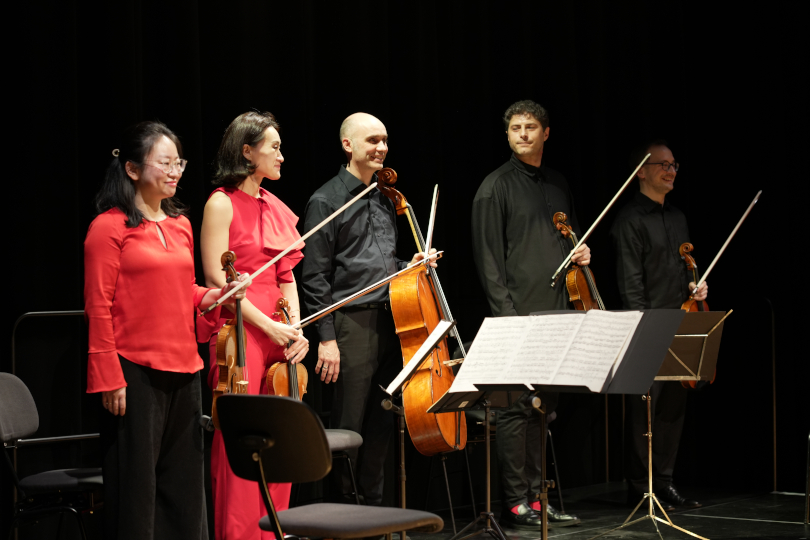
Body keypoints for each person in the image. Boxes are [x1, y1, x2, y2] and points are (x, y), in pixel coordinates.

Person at [84, 121, 248, 540]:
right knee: (137, 491)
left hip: (184, 369)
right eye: (165, 163)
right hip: (133, 372)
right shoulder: (109, 226)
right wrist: (108, 375)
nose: (175, 171)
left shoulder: (179, 225)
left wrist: (218, 295)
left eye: (179, 163)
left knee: (184, 488)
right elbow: (98, 306)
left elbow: (184, 294)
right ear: (134, 169)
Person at [301, 112, 434, 506]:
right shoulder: (326, 199)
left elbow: (378, 262)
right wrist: (326, 339)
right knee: (349, 427)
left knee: (381, 425)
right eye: (372, 140)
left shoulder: (384, 197)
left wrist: (408, 268)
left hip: (391, 319)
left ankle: (373, 512)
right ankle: (345, 513)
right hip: (350, 326)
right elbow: (315, 277)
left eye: (385, 140)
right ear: (348, 145)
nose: (382, 148)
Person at [471, 100, 585, 530]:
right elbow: (488, 263)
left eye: (531, 127)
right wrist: (508, 319)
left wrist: (579, 252)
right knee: (517, 410)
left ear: (546, 133)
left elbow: (566, 237)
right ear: (507, 135)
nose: (522, 134)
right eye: (515, 127)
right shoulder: (493, 187)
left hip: (558, 313)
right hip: (518, 318)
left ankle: (538, 499)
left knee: (543, 409)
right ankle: (516, 502)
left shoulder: (557, 184)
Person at [200, 111, 309, 540]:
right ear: (247, 152)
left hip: (280, 331)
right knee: (240, 443)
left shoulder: (275, 206)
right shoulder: (221, 202)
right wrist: (269, 326)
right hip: (241, 331)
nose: (282, 155)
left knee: (281, 439)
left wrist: (296, 329)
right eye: (274, 147)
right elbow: (216, 281)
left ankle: (275, 532)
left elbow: (287, 276)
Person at [610, 139, 707, 511]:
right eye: (662, 165)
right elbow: (630, 283)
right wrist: (642, 328)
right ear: (642, 172)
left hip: (681, 319)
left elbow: (684, 266)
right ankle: (640, 487)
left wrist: (696, 285)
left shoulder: (678, 217)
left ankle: (664, 482)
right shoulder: (629, 220)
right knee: (644, 411)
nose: (670, 170)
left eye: (673, 164)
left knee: (673, 409)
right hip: (647, 325)